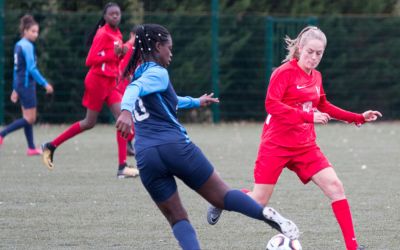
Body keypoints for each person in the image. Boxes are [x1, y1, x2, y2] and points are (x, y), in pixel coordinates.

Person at [116, 23, 300, 250]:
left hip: (146, 157)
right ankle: (266, 215)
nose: (171, 53)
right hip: (175, 147)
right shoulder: (157, 72)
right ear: (157, 46)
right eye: (169, 47)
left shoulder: (139, 73)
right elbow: (134, 92)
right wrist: (125, 111)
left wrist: (195, 101)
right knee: (221, 196)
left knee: (178, 218)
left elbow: (167, 99)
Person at [207, 26, 382, 250]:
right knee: (259, 201)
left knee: (336, 187)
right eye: (310, 51)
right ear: (300, 48)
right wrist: (307, 116)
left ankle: (353, 247)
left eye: (319, 53)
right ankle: (222, 199)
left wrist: (358, 117)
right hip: (276, 145)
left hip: (305, 146)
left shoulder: (316, 76)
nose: (314, 57)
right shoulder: (283, 73)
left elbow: (324, 105)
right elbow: (271, 105)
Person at [41, 2, 138, 178]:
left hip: (110, 83)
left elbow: (116, 58)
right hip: (97, 82)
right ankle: (51, 145)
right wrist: (114, 53)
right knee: (89, 122)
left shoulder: (117, 33)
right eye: (112, 14)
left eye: (118, 14)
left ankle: (122, 167)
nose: (115, 16)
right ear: (105, 16)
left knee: (122, 118)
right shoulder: (102, 33)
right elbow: (90, 59)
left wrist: (123, 50)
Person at [0, 14, 54, 155]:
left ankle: (31, 148)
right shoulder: (28, 46)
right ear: (25, 31)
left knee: (27, 118)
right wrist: (45, 84)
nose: (36, 34)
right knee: (30, 118)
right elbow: (31, 69)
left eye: (37, 31)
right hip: (26, 85)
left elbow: (16, 69)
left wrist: (14, 88)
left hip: (20, 84)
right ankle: (2, 133)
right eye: (33, 31)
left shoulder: (18, 45)